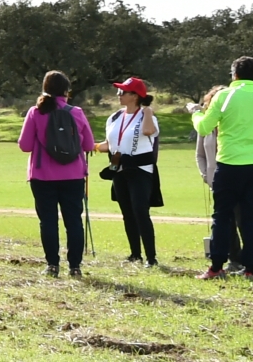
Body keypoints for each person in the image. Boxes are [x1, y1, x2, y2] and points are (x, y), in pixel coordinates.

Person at [188, 56, 253, 280]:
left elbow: (204, 126)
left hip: (229, 163)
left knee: (222, 216)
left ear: (234, 75)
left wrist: (195, 112)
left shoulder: (224, 96)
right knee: (250, 217)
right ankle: (250, 268)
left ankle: (217, 267)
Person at [18, 69, 99, 277]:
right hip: (73, 176)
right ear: (66, 90)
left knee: (48, 220)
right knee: (73, 220)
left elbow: (25, 146)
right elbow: (89, 144)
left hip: (42, 175)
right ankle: (75, 266)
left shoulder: (36, 112)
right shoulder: (77, 112)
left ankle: (52, 265)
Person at [102, 76, 163, 267]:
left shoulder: (148, 117)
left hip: (140, 171)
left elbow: (148, 132)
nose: (119, 95)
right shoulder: (114, 117)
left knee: (140, 212)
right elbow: (109, 144)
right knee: (127, 213)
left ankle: (151, 258)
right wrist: (90, 146)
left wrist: (147, 112)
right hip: (119, 170)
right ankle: (135, 254)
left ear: (135, 96)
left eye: (123, 92)